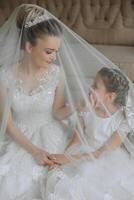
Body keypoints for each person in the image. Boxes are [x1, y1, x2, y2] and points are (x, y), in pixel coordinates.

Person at [0, 4, 75, 199]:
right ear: (29, 46)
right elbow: (7, 123)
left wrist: (76, 106)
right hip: (19, 136)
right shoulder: (5, 76)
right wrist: (34, 151)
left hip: (51, 131)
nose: (54, 58)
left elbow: (57, 110)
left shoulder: (57, 74)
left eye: (57, 52)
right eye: (49, 51)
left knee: (64, 179)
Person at [45, 67, 134, 200]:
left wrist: (68, 159)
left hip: (104, 159)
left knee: (90, 184)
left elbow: (101, 153)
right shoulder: (86, 110)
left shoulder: (122, 121)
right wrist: (62, 158)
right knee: (60, 179)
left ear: (110, 96)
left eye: (95, 86)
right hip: (81, 152)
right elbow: (76, 140)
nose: (90, 88)